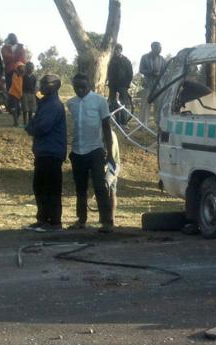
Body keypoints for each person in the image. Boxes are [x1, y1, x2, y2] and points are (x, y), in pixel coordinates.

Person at [66, 74, 115, 233]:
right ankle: (81, 219)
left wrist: (110, 154)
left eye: (83, 87)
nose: (80, 90)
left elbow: (107, 128)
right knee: (80, 188)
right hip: (77, 150)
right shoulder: (71, 103)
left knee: (100, 186)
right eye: (77, 87)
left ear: (89, 86)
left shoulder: (100, 101)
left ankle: (107, 221)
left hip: (95, 149)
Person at [25, 74, 67, 231]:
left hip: (52, 151)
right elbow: (34, 123)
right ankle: (42, 219)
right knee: (40, 186)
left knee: (51, 188)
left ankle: (54, 222)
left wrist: (31, 127)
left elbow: (40, 127)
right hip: (43, 151)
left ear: (55, 86)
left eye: (44, 84)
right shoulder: (45, 103)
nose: (40, 87)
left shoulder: (54, 105)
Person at [138, 41, 165, 124]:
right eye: (158, 47)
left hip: (159, 86)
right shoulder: (144, 57)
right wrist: (150, 72)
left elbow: (165, 71)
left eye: (160, 47)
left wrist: (160, 74)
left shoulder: (162, 59)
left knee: (158, 106)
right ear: (153, 48)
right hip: (147, 85)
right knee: (145, 106)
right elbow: (141, 70)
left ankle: (158, 123)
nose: (160, 49)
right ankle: (143, 125)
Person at [106, 43, 133, 125]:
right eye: (115, 49)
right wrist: (109, 81)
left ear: (121, 50)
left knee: (123, 103)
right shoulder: (111, 60)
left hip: (123, 85)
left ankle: (124, 122)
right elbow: (109, 72)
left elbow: (130, 73)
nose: (117, 51)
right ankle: (117, 120)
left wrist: (127, 84)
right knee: (113, 102)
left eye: (118, 49)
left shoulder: (126, 60)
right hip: (113, 85)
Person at [7, 63, 24, 127]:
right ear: (18, 67)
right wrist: (20, 91)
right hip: (13, 94)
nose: (22, 68)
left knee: (18, 110)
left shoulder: (21, 75)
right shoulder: (15, 74)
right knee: (14, 109)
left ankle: (15, 122)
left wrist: (20, 93)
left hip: (18, 95)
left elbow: (20, 85)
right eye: (21, 66)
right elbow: (14, 84)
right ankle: (16, 123)